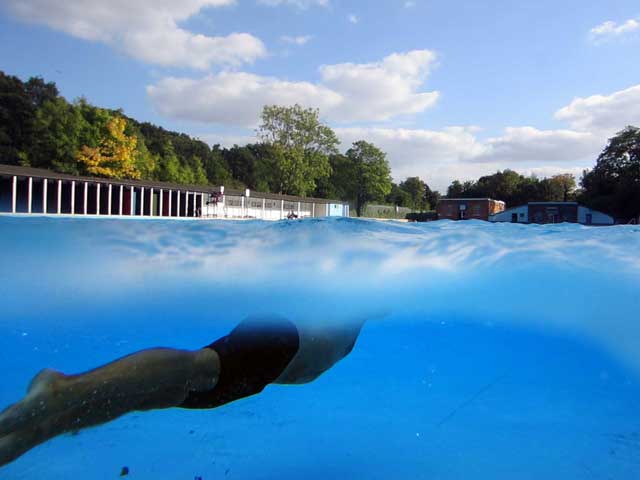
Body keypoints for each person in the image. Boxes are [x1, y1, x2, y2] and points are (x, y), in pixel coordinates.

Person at [0, 316, 365, 467]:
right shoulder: (350, 298)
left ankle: (36, 430)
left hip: (260, 371)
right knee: (203, 368)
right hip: (279, 343)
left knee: (154, 396)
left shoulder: (355, 319)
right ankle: (63, 390)